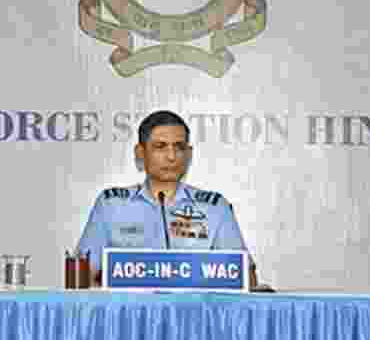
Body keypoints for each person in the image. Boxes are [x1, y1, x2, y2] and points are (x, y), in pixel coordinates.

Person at [76, 110, 258, 287]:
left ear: (189, 154)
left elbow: (245, 277)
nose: (171, 157)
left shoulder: (215, 207)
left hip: (196, 313)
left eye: (179, 147)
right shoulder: (111, 204)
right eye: (160, 147)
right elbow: (82, 276)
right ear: (140, 153)